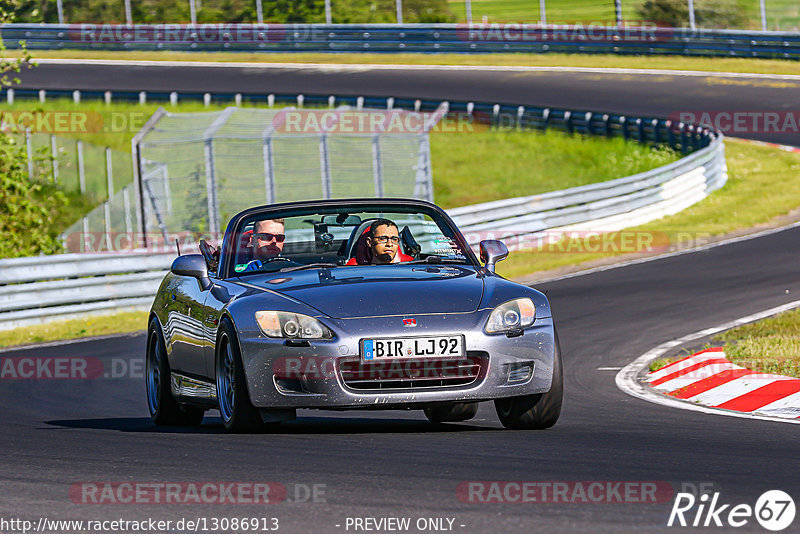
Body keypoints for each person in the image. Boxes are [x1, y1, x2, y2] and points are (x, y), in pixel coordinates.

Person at [347, 219, 413, 265]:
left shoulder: (411, 265)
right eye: (383, 239)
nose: (390, 244)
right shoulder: (352, 269)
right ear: (369, 242)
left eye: (394, 239)